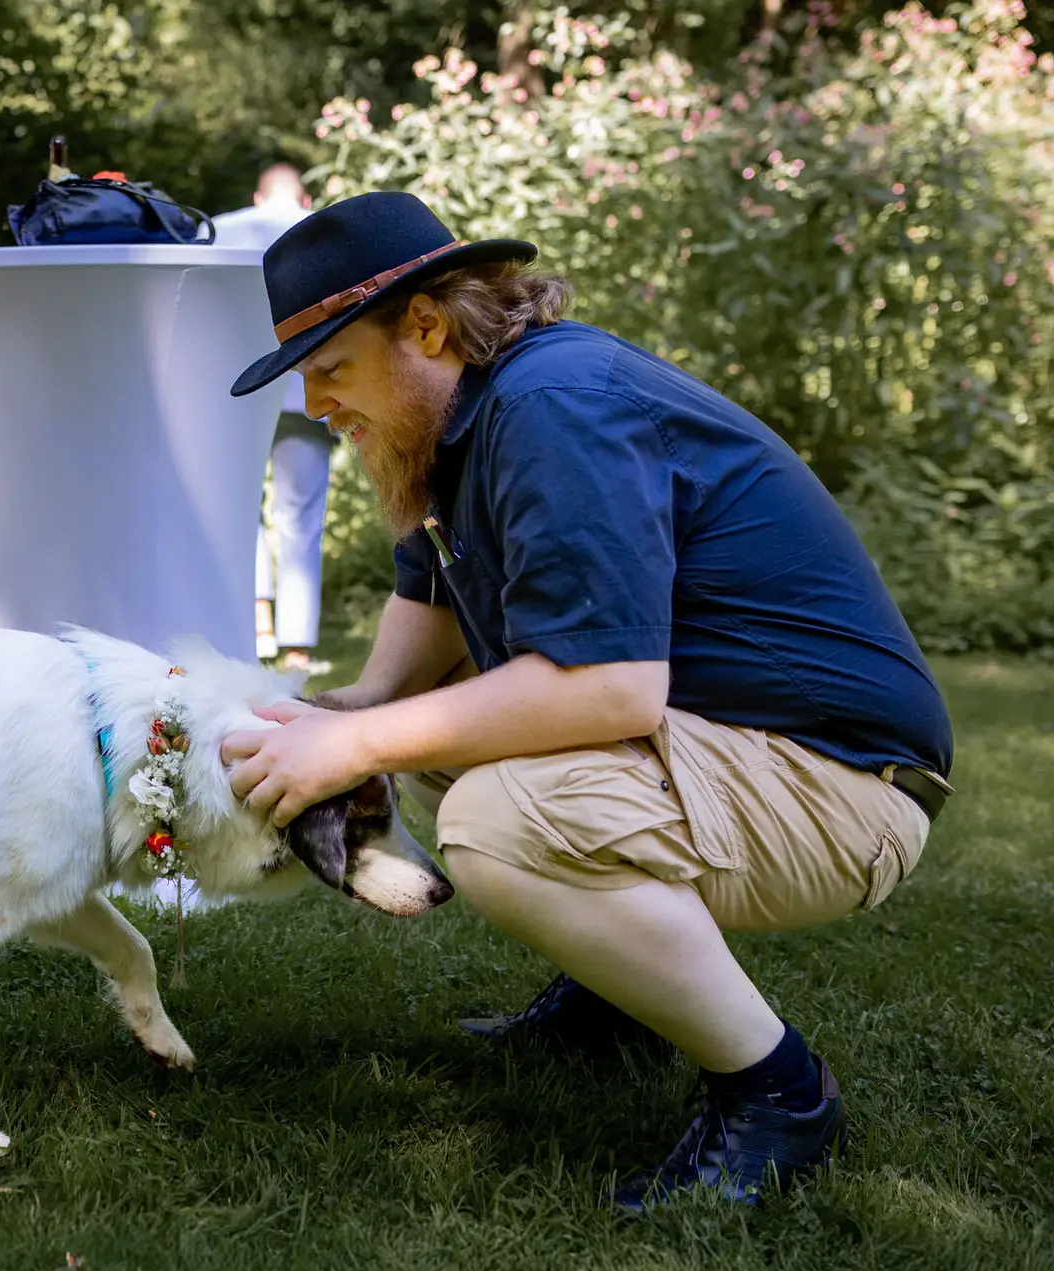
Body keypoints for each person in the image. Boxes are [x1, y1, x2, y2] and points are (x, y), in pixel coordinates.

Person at [220, 192, 953, 1211]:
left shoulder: (552, 406)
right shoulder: (462, 417)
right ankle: (622, 997)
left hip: (846, 783)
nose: (313, 403)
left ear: (425, 326)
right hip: (745, 742)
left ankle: (779, 1094)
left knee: (498, 820)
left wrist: (355, 745)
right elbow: (425, 611)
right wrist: (347, 712)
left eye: (332, 367)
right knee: (430, 734)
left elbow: (610, 689)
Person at [213, 164, 330, 674]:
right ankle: (297, 646)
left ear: (258, 196)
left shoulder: (222, 229)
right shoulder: (322, 228)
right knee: (300, 517)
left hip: (241, 388)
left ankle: (257, 622)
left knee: (243, 507)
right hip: (308, 388)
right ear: (304, 198)